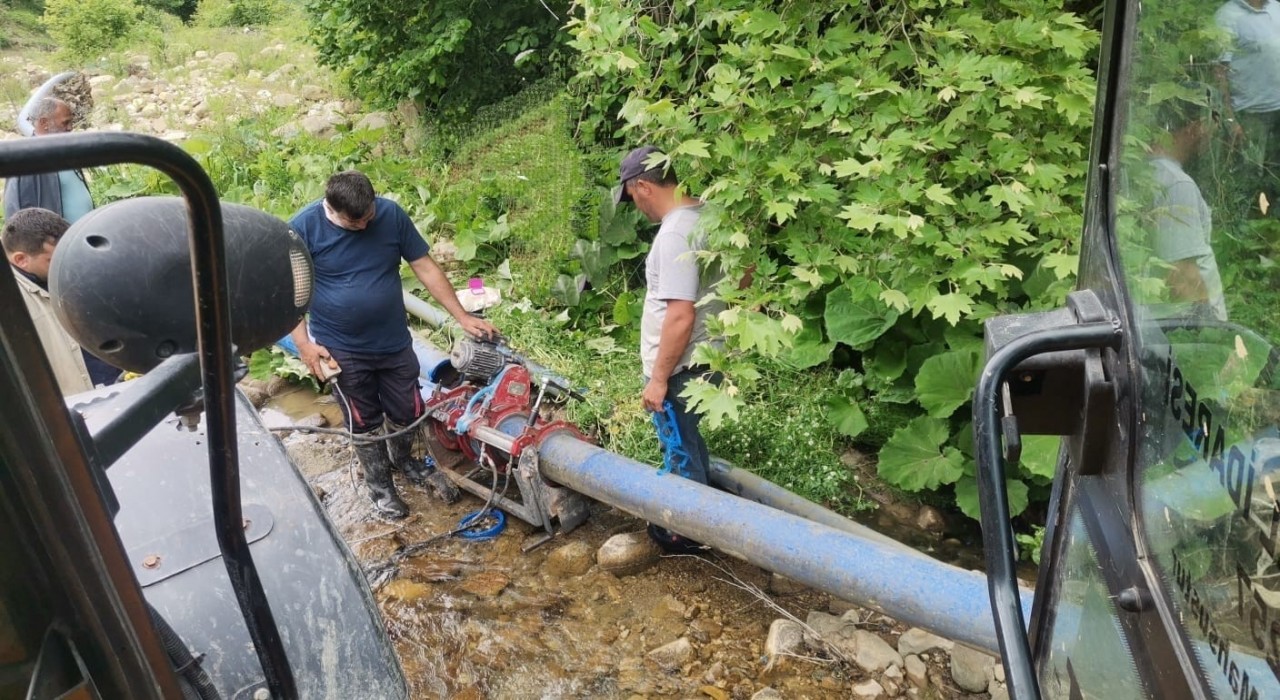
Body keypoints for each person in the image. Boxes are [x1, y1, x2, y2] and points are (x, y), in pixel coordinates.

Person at [289, 170, 498, 519]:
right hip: (341, 348)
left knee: (408, 411)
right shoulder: (302, 229)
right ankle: (380, 487)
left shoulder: (390, 215)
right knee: (364, 420)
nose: (364, 226)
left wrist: (462, 316)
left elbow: (424, 266)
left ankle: (404, 461)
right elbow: (290, 293)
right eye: (355, 222)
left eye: (369, 216)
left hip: (394, 341)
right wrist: (304, 345)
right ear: (332, 209)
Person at [615, 145, 725, 551]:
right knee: (690, 440)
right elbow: (746, 272)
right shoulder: (711, 214)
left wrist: (659, 379)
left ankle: (689, 532)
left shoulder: (675, 233)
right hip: (707, 356)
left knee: (678, 447)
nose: (636, 206)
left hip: (680, 366)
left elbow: (680, 315)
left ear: (643, 186)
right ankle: (706, 509)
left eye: (631, 196)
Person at [3, 208, 120, 393]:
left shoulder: (69, 271)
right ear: (21, 259)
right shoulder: (9, 302)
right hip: (73, 403)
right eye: (54, 259)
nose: (67, 263)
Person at [1149, 92, 1228, 321]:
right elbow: (1182, 274)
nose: (1212, 138)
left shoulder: (1150, 171)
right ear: (1196, 127)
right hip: (1195, 327)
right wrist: (1209, 330)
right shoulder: (1178, 184)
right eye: (1211, 126)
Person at [1214, 0, 1280, 213]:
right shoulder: (1228, 16)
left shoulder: (1276, 8)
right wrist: (1230, 119)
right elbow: (1219, 72)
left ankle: (1272, 226)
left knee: (1276, 179)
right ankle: (1244, 225)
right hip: (1249, 114)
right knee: (1247, 180)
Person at [3, 98, 94, 223]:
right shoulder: (27, 160)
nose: (70, 128)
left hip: (84, 231)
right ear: (44, 122)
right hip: (59, 235)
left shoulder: (64, 151)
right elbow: (16, 211)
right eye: (65, 123)